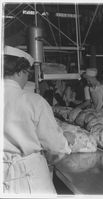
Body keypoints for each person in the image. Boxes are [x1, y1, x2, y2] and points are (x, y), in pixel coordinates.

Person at [3, 46, 72, 194]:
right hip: (29, 177)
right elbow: (54, 145)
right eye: (27, 73)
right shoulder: (33, 101)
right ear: (21, 72)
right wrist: (67, 142)